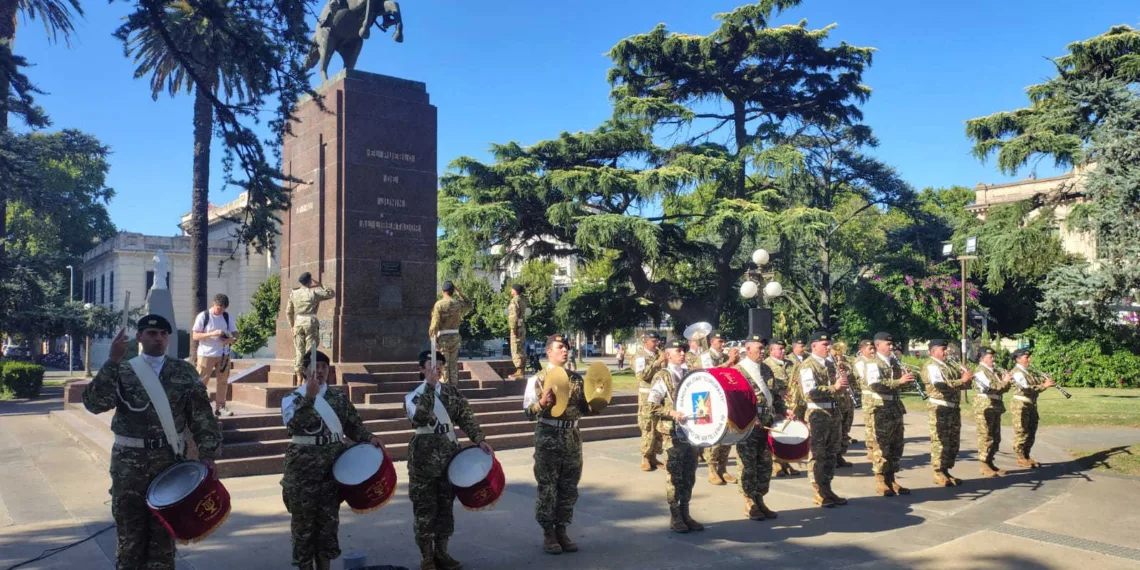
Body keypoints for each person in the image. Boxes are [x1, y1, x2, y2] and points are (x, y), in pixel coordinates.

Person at [82, 315, 221, 570]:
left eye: (163, 334)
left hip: (169, 464)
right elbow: (94, 403)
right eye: (152, 333)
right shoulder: (123, 369)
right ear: (139, 337)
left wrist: (208, 454)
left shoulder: (183, 371)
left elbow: (201, 416)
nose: (159, 339)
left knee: (163, 540)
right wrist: (112, 362)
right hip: (129, 467)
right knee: (130, 538)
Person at [281, 350, 382, 570]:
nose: (319, 371)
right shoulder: (292, 398)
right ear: (304, 370)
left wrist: (369, 438)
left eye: (324, 367)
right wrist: (310, 397)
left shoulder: (338, 398)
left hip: (333, 469)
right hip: (302, 472)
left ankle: (324, 565)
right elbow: (294, 425)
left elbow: (353, 426)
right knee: (303, 525)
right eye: (314, 367)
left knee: (328, 524)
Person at [406, 350, 494, 570]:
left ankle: (442, 552)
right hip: (423, 461)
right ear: (421, 368)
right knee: (425, 509)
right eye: (431, 363)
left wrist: (479, 439)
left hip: (449, 457)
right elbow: (419, 418)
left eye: (440, 364)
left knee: (445, 507)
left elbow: (466, 417)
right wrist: (429, 387)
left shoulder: (451, 393)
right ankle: (426, 557)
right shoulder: (412, 396)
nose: (437, 368)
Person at [523, 334, 599, 554]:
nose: (565, 350)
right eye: (560, 347)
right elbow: (527, 412)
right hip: (548, 438)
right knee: (548, 488)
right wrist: (541, 403)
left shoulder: (576, 379)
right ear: (549, 352)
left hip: (572, 438)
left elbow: (584, 408)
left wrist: (598, 400)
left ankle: (562, 529)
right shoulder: (537, 379)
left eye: (566, 347)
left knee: (569, 487)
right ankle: (548, 532)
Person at [647, 340, 704, 533]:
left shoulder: (689, 374)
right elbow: (651, 405)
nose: (682, 354)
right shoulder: (662, 376)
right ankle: (675, 516)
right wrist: (671, 413)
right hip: (673, 434)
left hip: (691, 433)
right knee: (675, 476)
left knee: (689, 475)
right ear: (668, 355)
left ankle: (686, 513)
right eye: (678, 351)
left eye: (683, 351)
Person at [791, 331, 849, 508]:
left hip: (833, 413)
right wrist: (834, 387)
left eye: (829, 344)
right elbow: (809, 392)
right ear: (814, 346)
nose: (828, 347)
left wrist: (842, 382)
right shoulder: (807, 365)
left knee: (831, 453)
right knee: (818, 454)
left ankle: (827, 488)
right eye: (824, 344)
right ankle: (818, 491)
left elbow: (838, 388)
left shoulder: (830, 364)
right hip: (818, 415)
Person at [734, 335, 781, 520]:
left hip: (766, 422)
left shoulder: (766, 369)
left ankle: (760, 499)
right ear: (748, 350)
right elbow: (734, 402)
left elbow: (775, 395)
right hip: (748, 425)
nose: (762, 352)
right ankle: (749, 502)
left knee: (765, 464)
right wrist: (750, 418)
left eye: (763, 348)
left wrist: (783, 411)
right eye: (759, 348)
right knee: (748, 465)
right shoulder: (738, 371)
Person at [864, 332, 917, 497]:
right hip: (881, 408)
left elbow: (899, 386)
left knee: (896, 446)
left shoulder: (894, 362)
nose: (891, 347)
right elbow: (875, 385)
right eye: (888, 344)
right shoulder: (872, 363)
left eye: (892, 344)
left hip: (895, 408)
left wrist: (907, 379)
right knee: (881, 446)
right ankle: (880, 481)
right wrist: (898, 381)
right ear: (878, 345)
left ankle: (891, 478)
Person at [921, 339, 973, 487]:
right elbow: (940, 385)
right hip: (940, 407)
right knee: (940, 441)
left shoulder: (949, 366)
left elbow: (962, 386)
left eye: (946, 349)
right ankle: (938, 472)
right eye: (942, 349)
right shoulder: (931, 366)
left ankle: (945, 470)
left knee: (952, 442)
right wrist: (961, 380)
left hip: (953, 408)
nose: (946, 352)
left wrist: (967, 378)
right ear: (933, 351)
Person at [698, 331, 739, 485]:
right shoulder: (705, 356)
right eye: (720, 341)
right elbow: (711, 373)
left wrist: (735, 361)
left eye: (723, 341)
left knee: (727, 435)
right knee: (714, 434)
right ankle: (712, 469)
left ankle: (723, 468)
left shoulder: (724, 357)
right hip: (709, 399)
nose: (723, 344)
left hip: (725, 398)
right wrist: (729, 361)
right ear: (712, 342)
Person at [192, 293, 239, 417]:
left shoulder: (227, 316)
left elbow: (235, 334)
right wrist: (212, 333)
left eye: (224, 308)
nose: (221, 310)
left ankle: (220, 407)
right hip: (206, 354)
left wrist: (231, 339)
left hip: (223, 354)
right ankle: (197, 408)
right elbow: (195, 335)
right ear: (213, 304)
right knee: (201, 381)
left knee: (223, 381)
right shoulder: (203, 316)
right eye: (219, 308)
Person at [287, 272, 336, 386]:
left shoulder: (294, 293)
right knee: (310, 351)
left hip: (298, 323)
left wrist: (292, 325)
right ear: (310, 281)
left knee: (299, 351)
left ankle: (299, 377)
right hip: (310, 322)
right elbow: (331, 293)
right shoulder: (314, 292)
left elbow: (288, 312)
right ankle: (308, 377)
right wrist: (320, 284)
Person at [1010, 349, 1055, 469]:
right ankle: (1020, 457)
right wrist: (1044, 386)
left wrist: (1044, 381)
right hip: (1021, 405)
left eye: (1029, 357)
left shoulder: (1027, 372)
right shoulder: (1017, 372)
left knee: (1031, 431)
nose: (1029, 360)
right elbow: (1025, 389)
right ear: (1018, 359)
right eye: (1026, 358)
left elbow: (1034, 384)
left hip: (1031, 404)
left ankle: (1026, 455)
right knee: (1022, 431)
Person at [763, 340, 801, 477]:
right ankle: (776, 463)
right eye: (780, 348)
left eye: (784, 348)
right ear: (771, 350)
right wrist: (780, 392)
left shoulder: (791, 364)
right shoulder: (766, 365)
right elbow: (767, 386)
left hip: (792, 402)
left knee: (788, 433)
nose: (783, 351)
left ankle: (786, 462)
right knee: (776, 432)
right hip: (776, 402)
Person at [973, 347, 1012, 477]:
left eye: (993, 357)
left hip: (995, 405)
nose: (993, 359)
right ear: (982, 358)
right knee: (986, 436)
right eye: (990, 357)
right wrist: (1004, 382)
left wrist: (1006, 381)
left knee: (996, 437)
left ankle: (990, 462)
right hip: (985, 406)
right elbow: (988, 388)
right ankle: (984, 464)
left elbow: (1002, 389)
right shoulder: (980, 371)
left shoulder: (993, 371)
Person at [428, 281, 472, 384]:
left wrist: (432, 338)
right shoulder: (458, 304)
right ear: (453, 291)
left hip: (443, 339)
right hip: (455, 338)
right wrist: (459, 293)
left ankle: (445, 389)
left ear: (443, 291)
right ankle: (453, 389)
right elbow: (469, 304)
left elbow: (434, 324)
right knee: (453, 366)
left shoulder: (439, 305)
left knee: (444, 366)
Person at [635, 331, 666, 471]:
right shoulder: (640, 356)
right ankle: (645, 457)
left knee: (658, 427)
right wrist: (657, 362)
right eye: (653, 341)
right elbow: (642, 376)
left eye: (657, 341)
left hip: (659, 395)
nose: (656, 344)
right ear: (645, 342)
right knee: (648, 426)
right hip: (647, 397)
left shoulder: (658, 354)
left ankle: (653, 456)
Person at [829, 343, 856, 469]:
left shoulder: (844, 364)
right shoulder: (827, 364)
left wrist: (844, 368)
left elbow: (854, 379)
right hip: (836, 401)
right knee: (835, 431)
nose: (837, 354)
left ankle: (840, 455)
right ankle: (832, 457)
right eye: (835, 351)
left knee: (845, 429)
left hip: (846, 401)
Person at [852, 339, 878, 461]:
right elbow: (864, 377)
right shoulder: (860, 361)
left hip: (877, 394)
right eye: (870, 349)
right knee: (870, 423)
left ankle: (877, 447)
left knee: (877, 423)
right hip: (868, 396)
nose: (872, 351)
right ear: (862, 350)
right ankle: (870, 449)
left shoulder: (875, 360)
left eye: (873, 348)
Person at [507, 284, 528, 379]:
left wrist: (513, 328)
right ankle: (521, 370)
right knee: (521, 348)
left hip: (517, 328)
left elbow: (513, 316)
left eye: (512, 289)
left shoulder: (514, 301)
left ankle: (519, 371)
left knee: (516, 348)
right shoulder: (522, 300)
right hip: (521, 326)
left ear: (515, 291)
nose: (510, 291)